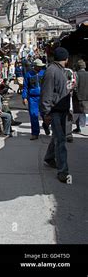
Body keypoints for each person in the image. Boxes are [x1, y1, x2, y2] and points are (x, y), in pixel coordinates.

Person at [40, 47, 71, 183]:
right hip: (55, 112)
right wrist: (46, 113)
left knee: (58, 137)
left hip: (62, 110)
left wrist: (68, 110)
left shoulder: (61, 71)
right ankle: (63, 171)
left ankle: (49, 157)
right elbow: (46, 94)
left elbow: (62, 92)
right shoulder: (52, 71)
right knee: (61, 141)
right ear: (66, 59)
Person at [22, 59, 46, 140]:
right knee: (33, 115)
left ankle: (45, 125)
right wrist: (24, 97)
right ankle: (35, 133)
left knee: (45, 114)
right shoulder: (28, 74)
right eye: (39, 66)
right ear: (35, 66)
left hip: (43, 97)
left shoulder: (44, 73)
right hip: (32, 98)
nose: (40, 68)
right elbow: (25, 87)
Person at [74, 59, 87, 133]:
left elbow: (74, 86)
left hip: (78, 97)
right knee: (86, 112)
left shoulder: (76, 74)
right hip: (87, 97)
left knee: (77, 114)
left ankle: (78, 128)